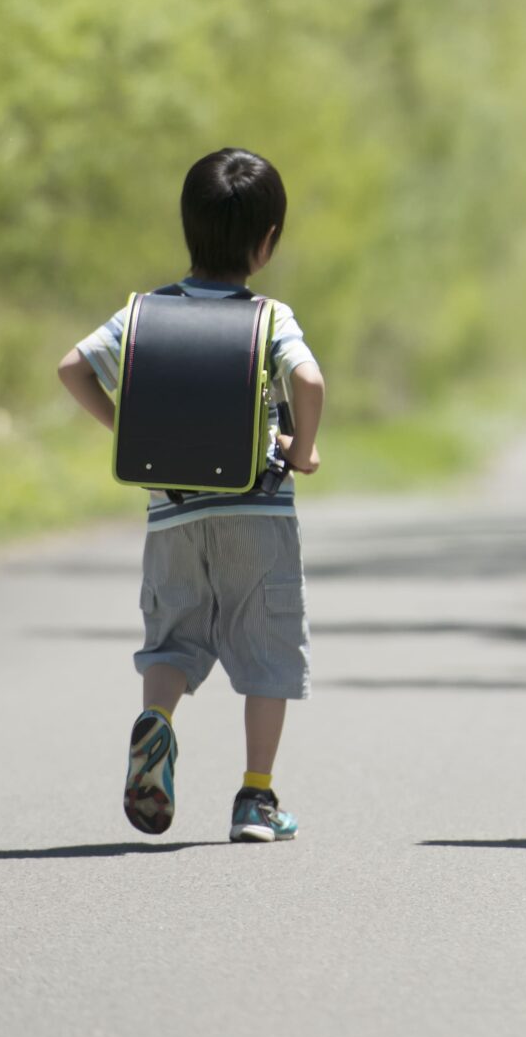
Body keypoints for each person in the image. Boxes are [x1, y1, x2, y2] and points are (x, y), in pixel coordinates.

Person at [56, 147, 327, 844]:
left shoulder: (146, 315)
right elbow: (310, 382)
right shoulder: (269, 316)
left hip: (173, 512)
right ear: (266, 244)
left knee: (172, 637)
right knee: (268, 648)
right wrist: (303, 449)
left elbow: (72, 368)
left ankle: (159, 723)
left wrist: (129, 429)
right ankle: (256, 798)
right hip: (257, 513)